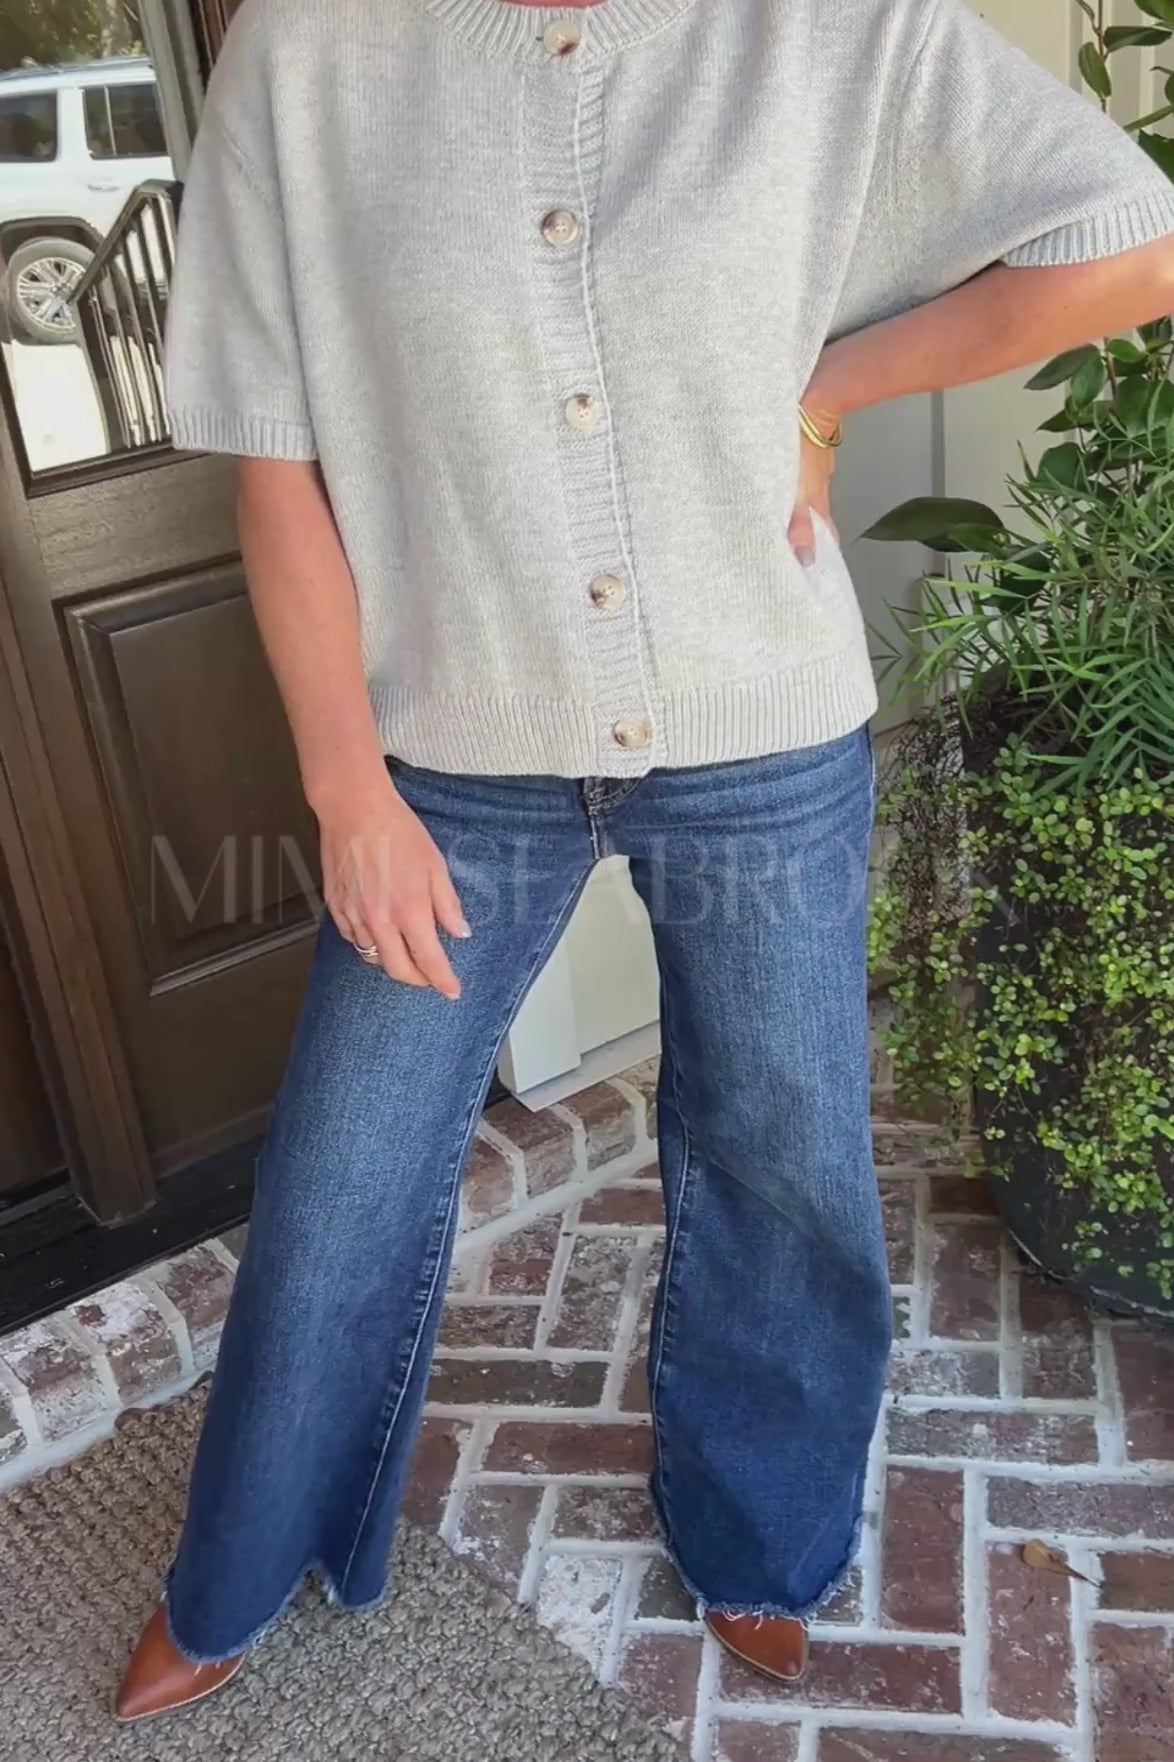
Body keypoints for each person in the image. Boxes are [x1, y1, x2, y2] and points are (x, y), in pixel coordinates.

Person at [116, 0, 1174, 1723]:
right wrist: (345, 789)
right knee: (340, 1180)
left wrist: (828, 379)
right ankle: (240, 1564)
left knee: (783, 1162)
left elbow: (1131, 235)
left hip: (760, 734)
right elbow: (274, 457)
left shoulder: (820, 29)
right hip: (451, 760)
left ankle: (759, 1539)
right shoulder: (307, 53)